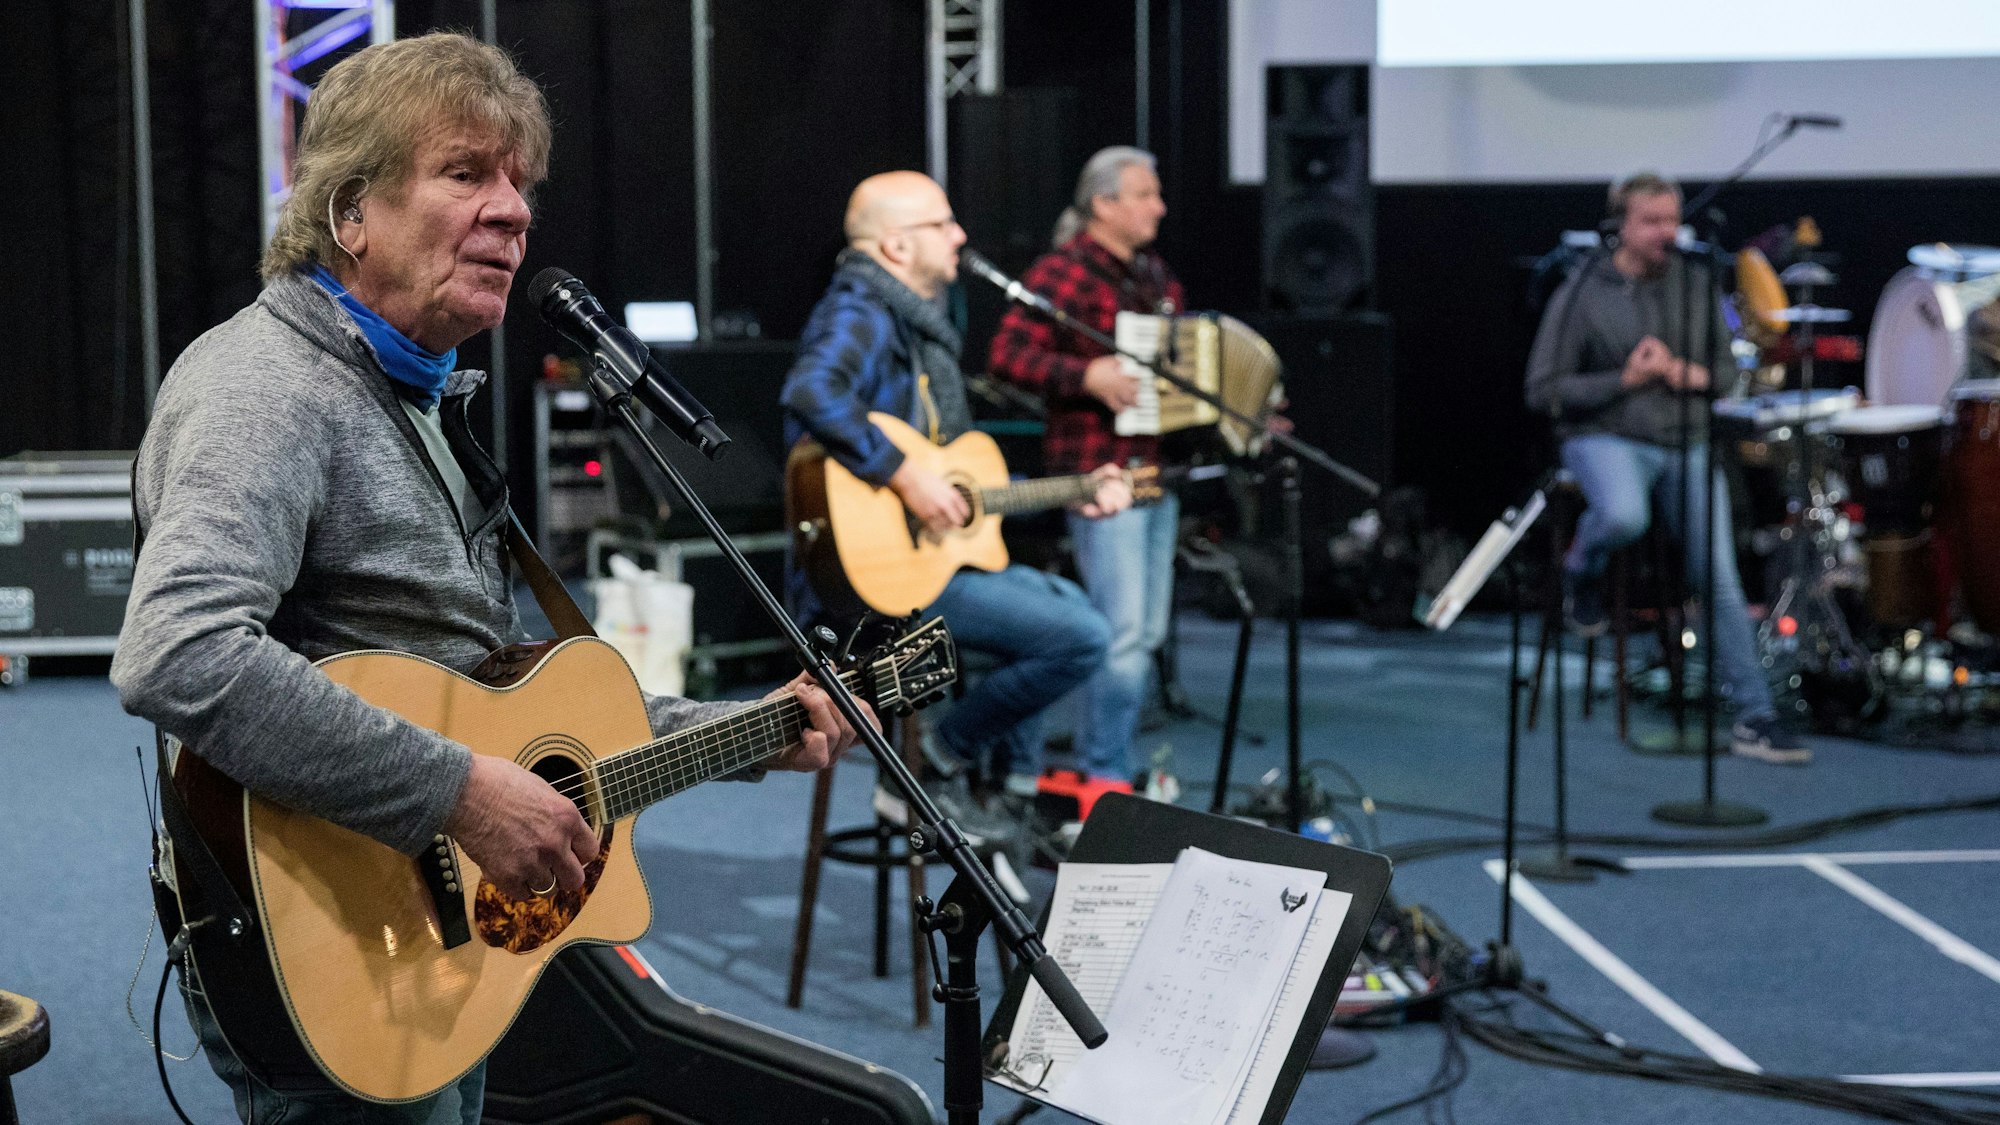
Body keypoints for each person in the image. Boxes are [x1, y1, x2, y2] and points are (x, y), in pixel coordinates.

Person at [111, 33, 862, 1124]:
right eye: (466, 173)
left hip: (429, 937)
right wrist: (457, 792)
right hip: (327, 943)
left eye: (521, 183)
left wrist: (747, 730)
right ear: (349, 212)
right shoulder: (266, 386)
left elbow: (507, 701)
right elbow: (177, 653)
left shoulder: (417, 399)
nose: (511, 211)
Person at [781, 170, 1125, 818]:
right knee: (1079, 634)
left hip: (922, 562)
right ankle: (935, 759)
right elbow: (811, 391)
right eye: (941, 223)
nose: (960, 235)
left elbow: (958, 478)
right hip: (865, 585)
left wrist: (1069, 491)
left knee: (1065, 601)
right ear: (895, 247)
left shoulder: (911, 321)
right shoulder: (859, 309)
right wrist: (905, 477)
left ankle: (1012, 790)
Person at [1525, 171, 1808, 765]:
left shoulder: (1695, 284)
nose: (1666, 232)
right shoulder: (1583, 291)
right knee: (1624, 515)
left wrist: (1680, 371)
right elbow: (1544, 389)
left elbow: (1728, 377)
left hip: (1685, 440)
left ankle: (1755, 715)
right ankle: (1582, 568)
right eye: (1651, 220)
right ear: (1620, 226)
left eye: (1671, 218)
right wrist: (1623, 379)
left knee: (1721, 577)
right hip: (1605, 436)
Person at [987, 146, 1184, 787]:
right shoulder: (1063, 272)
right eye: (1145, 194)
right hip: (1097, 474)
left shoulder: (1154, 278)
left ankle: (1102, 766)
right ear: (1104, 204)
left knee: (1144, 636)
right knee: (1120, 637)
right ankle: (1104, 778)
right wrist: (1085, 375)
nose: (1159, 206)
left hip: (1155, 475)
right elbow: (1007, 355)